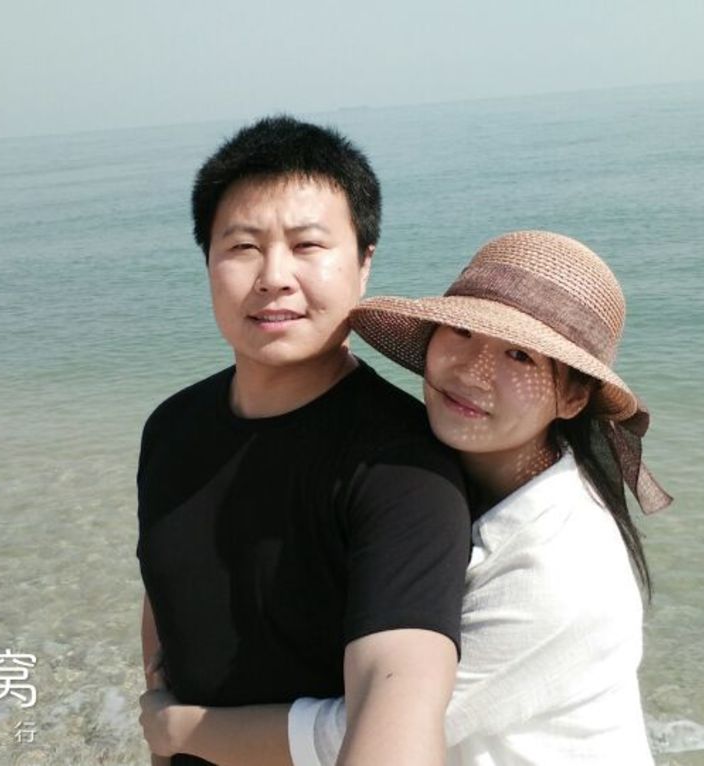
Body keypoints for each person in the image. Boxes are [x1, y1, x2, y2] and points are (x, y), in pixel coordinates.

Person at [140, 230, 672, 765]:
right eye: (462, 330)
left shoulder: (560, 570)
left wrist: (179, 731)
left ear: (574, 397)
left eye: (519, 356)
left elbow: (369, 732)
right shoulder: (426, 475)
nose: (472, 370)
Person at [135, 115, 474, 766]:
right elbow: (165, 593)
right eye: (242, 246)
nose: (274, 276)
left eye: (307, 245)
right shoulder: (171, 428)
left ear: (364, 263)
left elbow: (398, 698)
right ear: (207, 262)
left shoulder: (405, 470)